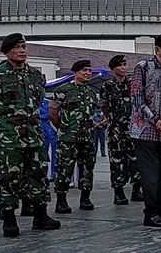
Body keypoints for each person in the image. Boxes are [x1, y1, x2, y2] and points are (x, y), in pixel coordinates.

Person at [0, 33, 60, 237]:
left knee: (38, 175)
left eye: (24, 47)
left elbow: (39, 102)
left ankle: (40, 216)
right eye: (17, 47)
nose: (22, 51)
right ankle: (9, 219)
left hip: (34, 135)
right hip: (8, 137)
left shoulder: (35, 75)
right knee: (7, 177)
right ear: (6, 51)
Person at [130, 31, 161, 227]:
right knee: (150, 174)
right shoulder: (141, 68)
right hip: (144, 131)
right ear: (157, 49)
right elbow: (137, 98)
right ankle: (150, 214)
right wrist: (153, 119)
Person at [51, 60, 98, 213]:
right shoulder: (63, 90)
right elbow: (53, 112)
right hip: (68, 139)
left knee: (87, 169)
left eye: (89, 70)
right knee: (64, 169)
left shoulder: (91, 92)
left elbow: (93, 114)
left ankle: (85, 198)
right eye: (84, 70)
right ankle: (61, 201)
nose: (88, 73)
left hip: (87, 138)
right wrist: (64, 128)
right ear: (76, 72)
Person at [100, 55, 143, 205]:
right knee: (116, 160)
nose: (124, 68)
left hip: (132, 128)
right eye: (120, 65)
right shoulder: (107, 86)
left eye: (125, 65)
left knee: (135, 159)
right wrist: (113, 119)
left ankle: (137, 189)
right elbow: (104, 107)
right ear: (113, 69)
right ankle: (118, 192)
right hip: (115, 129)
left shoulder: (132, 85)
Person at [40, 98, 57, 181]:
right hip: (44, 126)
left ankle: (51, 173)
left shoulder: (48, 102)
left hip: (48, 126)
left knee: (52, 153)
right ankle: (48, 173)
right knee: (45, 153)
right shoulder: (48, 102)